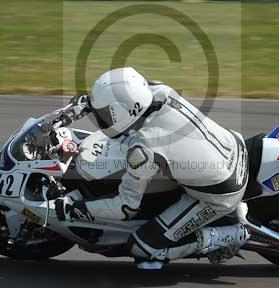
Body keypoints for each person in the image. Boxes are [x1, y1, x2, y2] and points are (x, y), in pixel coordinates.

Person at [56, 67, 250, 269]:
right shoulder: (159, 90)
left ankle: (232, 234)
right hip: (233, 146)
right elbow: (125, 94)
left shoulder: (145, 148)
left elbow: (125, 207)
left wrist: (74, 209)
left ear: (124, 112)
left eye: (105, 113)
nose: (101, 118)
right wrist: (84, 105)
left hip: (221, 193)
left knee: (144, 248)